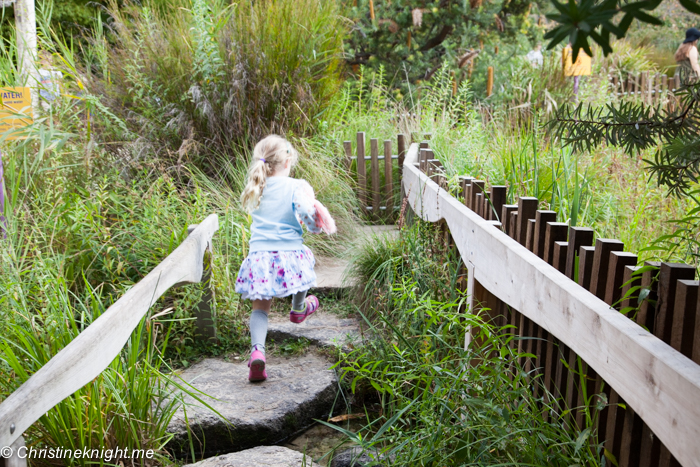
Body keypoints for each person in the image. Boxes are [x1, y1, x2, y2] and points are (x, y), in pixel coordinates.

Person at [236, 135, 337, 382]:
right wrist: (315, 225)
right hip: (289, 252)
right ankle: (298, 308)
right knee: (303, 266)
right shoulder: (296, 185)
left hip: (259, 256)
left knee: (260, 311)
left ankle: (257, 351)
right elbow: (306, 210)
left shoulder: (256, 185)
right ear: (288, 161)